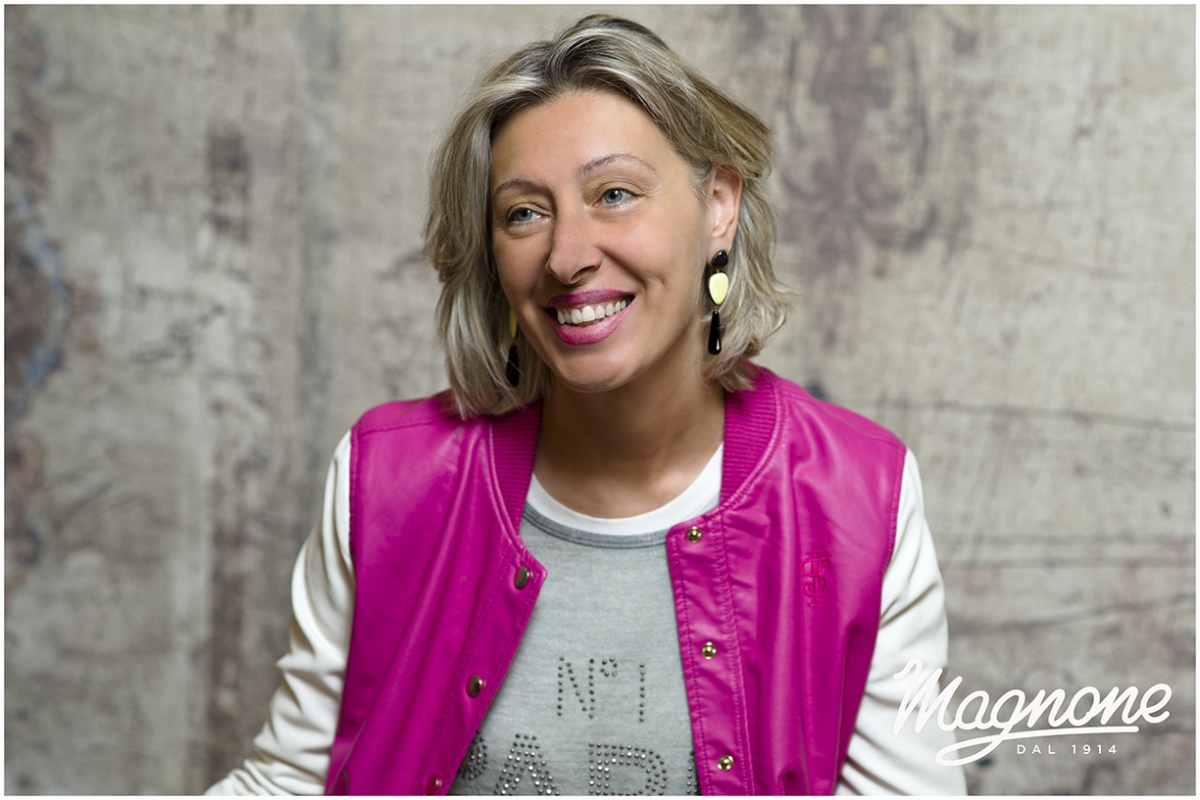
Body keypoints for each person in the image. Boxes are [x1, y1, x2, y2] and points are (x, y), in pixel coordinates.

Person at [207, 14, 965, 796]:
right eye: (524, 213)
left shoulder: (856, 498)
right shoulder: (389, 480)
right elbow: (288, 783)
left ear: (718, 205)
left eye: (614, 194)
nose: (567, 257)